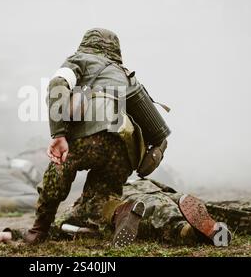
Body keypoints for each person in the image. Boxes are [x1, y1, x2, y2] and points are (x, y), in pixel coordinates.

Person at [25, 28, 165, 244]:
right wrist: (145, 161)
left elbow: (57, 85)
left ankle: (38, 231)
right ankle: (122, 212)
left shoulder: (79, 60)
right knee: (99, 201)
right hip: (122, 150)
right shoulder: (127, 76)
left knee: (57, 174)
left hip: (90, 136)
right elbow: (159, 135)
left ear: (87, 43)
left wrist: (59, 133)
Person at [0, 178, 251, 247]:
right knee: (229, 209)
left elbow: (53, 228)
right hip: (167, 194)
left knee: (156, 219)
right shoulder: (135, 175)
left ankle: (196, 232)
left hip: (145, 201)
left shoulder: (87, 203)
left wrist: (7, 234)